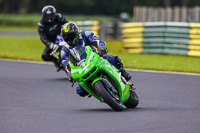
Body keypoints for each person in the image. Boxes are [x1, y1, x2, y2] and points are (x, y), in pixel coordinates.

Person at [60, 22, 132, 97]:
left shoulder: (85, 35)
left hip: (96, 58)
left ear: (76, 32)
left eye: (71, 35)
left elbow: (97, 40)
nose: (69, 38)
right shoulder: (64, 50)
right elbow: (65, 64)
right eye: (66, 37)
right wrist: (69, 74)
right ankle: (98, 91)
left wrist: (101, 47)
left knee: (115, 59)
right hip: (81, 68)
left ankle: (123, 73)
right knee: (80, 91)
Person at [37, 5, 68, 71]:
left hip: (62, 37)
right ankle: (56, 62)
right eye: (47, 16)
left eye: (50, 15)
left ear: (54, 14)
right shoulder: (41, 24)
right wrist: (50, 45)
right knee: (44, 56)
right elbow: (43, 37)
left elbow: (67, 25)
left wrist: (66, 34)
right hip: (51, 41)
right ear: (44, 15)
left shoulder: (59, 17)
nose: (49, 18)